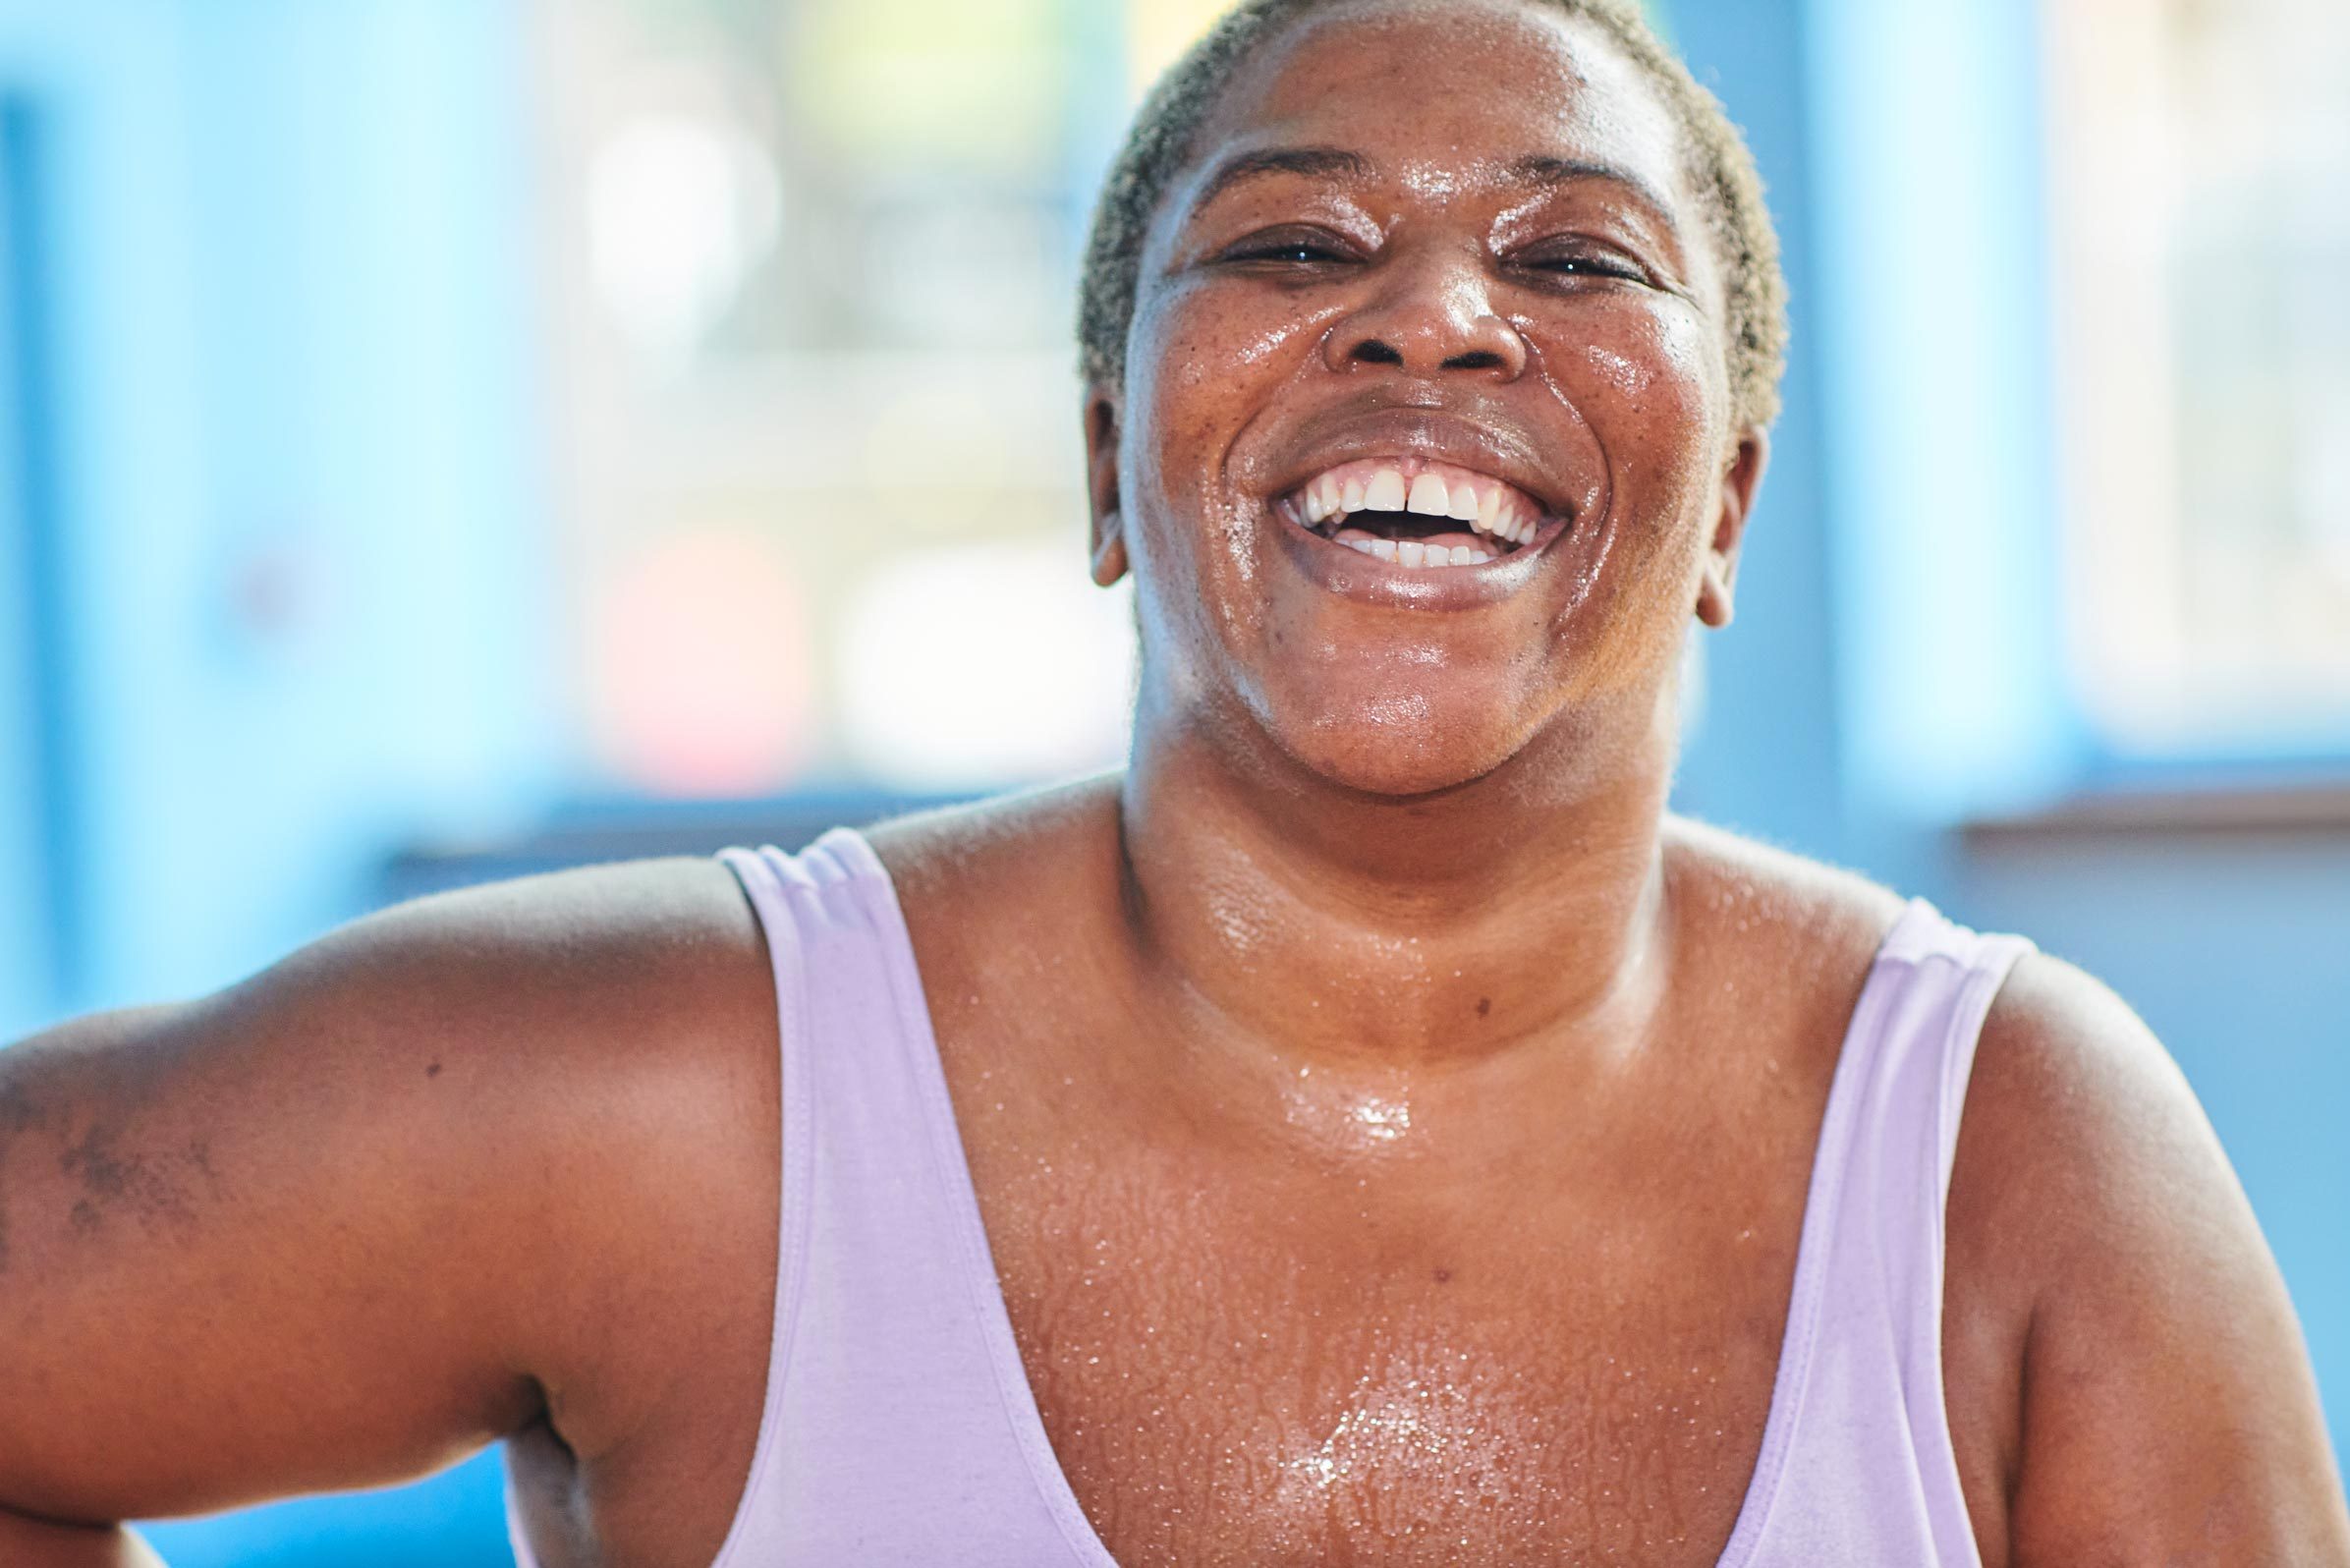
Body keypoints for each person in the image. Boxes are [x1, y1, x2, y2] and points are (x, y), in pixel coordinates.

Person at [5, 0, 2348, 1562]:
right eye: (1295, 238)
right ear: (1112, 463)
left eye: (1568, 253)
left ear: (1722, 501)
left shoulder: (2018, 1163)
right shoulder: (666, 1092)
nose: (1429, 311)